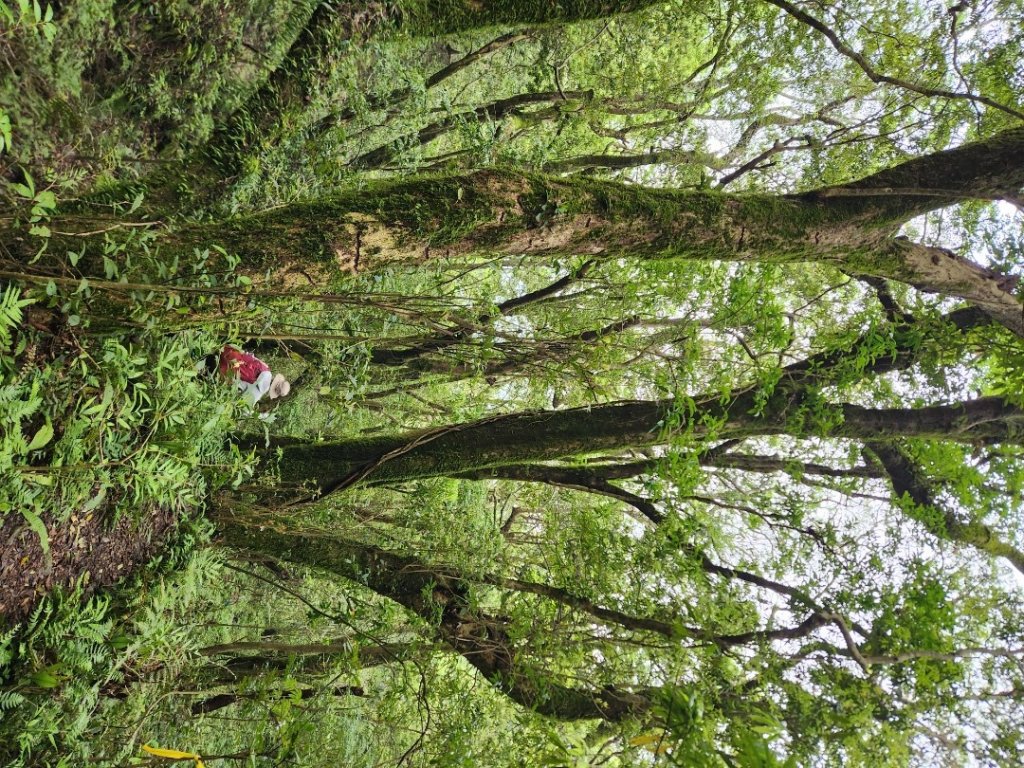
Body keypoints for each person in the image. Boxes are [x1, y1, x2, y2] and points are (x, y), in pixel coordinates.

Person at [198, 345, 290, 406]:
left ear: (275, 379)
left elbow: (248, 356)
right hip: (221, 375)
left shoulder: (266, 369)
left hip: (228, 356)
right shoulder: (256, 396)